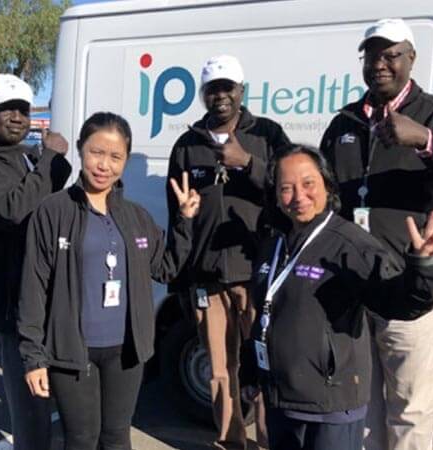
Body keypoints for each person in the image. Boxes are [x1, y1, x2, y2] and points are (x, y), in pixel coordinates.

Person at [319, 18, 433, 450]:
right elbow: (324, 195)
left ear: (411, 59)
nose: (380, 64)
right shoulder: (344, 122)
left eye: (391, 54)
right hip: (355, 286)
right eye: (372, 55)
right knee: (361, 403)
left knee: (410, 409)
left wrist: (426, 141)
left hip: (408, 284)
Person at [16, 112, 200, 450]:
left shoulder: (135, 217)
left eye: (115, 157)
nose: (104, 165)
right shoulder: (53, 211)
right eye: (96, 152)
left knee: (117, 437)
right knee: (82, 439)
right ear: (81, 150)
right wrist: (33, 358)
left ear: (126, 160)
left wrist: (185, 222)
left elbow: (167, 268)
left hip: (126, 353)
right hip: (72, 353)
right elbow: (33, 287)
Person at [246, 145, 433, 450]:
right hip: (281, 401)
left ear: (327, 185)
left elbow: (400, 302)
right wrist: (251, 371)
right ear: (275, 195)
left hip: (330, 406)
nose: (299, 196)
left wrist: (422, 267)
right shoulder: (273, 245)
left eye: (308, 184)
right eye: (286, 188)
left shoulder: (351, 245)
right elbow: (264, 312)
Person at [166, 54, 291, 450]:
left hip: (258, 275)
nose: (220, 96)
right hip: (207, 279)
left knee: (265, 366)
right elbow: (178, 217)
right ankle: (230, 441)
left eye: (227, 88)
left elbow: (291, 194)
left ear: (241, 91)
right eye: (212, 89)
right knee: (220, 370)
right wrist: (184, 282)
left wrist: (249, 163)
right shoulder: (187, 145)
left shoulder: (268, 135)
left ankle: (270, 442)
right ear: (203, 94)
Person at [0, 73, 71, 449]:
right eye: (7, 109)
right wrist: (49, 157)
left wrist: (50, 160)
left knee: (54, 390)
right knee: (31, 406)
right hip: (10, 304)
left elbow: (56, 186)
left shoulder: (25, 155)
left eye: (22, 109)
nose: (17, 117)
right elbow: (14, 209)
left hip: (41, 293)